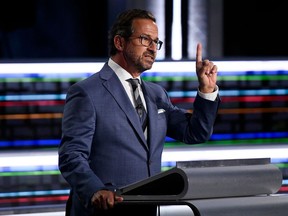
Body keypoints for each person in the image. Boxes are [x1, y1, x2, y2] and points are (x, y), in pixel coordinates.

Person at [58, 8, 220, 216]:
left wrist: (206, 90)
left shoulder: (156, 94)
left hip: (147, 209)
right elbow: (71, 155)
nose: (153, 48)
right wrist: (95, 190)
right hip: (104, 210)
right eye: (145, 39)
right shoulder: (87, 92)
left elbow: (195, 132)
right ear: (120, 42)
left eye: (156, 42)